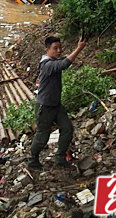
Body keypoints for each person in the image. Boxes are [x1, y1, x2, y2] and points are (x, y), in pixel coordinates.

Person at [29, 36, 86, 170]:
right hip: (45, 107)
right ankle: (33, 160)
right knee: (42, 136)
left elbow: (64, 61)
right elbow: (64, 64)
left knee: (67, 128)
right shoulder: (47, 64)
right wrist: (79, 48)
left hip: (56, 105)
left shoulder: (53, 60)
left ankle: (60, 158)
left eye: (60, 48)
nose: (59, 51)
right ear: (47, 49)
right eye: (55, 48)